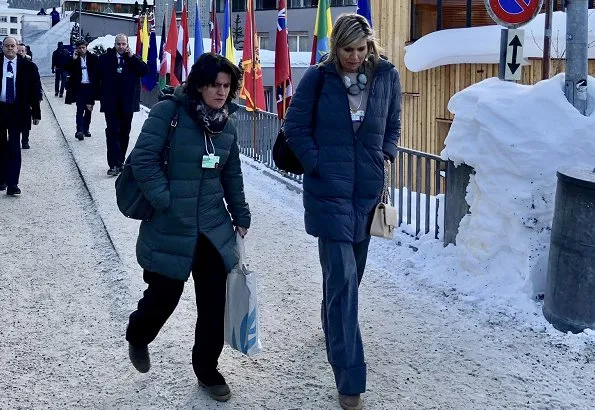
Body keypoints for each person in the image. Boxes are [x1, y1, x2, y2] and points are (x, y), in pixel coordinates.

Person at [284, 14, 401, 410]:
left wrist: (383, 154)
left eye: (360, 49)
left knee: (348, 279)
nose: (354, 57)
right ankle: (350, 379)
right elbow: (294, 127)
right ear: (335, 48)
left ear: (370, 46)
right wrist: (317, 164)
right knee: (345, 287)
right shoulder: (318, 79)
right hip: (329, 195)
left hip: (367, 196)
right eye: (346, 50)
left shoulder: (386, 76)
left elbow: (393, 124)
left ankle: (330, 319)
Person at [125, 53, 251, 403]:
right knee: (164, 297)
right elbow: (144, 160)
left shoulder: (228, 124)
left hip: (212, 226)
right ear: (199, 84)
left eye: (227, 86)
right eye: (215, 85)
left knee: (213, 303)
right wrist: (165, 200)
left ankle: (207, 370)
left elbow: (232, 173)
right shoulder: (169, 114)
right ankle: (138, 334)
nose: (221, 92)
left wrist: (240, 213)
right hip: (170, 224)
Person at [97, 34, 148, 176]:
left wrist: (133, 57)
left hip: (127, 104)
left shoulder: (132, 59)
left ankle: (120, 161)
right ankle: (113, 164)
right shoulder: (105, 59)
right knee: (113, 132)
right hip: (111, 103)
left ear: (127, 45)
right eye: (118, 44)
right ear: (115, 44)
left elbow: (144, 71)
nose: (121, 47)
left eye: (123, 44)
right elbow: (97, 77)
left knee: (124, 133)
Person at [0, 37, 42, 195]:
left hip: (18, 110)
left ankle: (13, 184)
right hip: (1, 109)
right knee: (1, 146)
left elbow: (34, 91)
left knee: (14, 147)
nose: (10, 48)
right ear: (2, 47)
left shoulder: (28, 66)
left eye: (13, 46)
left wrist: (36, 112)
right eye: (7, 46)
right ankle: (2, 178)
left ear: (18, 47)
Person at [65, 39, 99, 141]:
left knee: (88, 109)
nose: (81, 49)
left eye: (83, 47)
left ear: (86, 47)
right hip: (80, 88)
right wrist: (73, 60)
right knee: (79, 110)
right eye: (79, 48)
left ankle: (86, 129)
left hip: (90, 87)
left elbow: (98, 72)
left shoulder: (93, 58)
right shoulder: (75, 59)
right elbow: (68, 70)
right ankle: (79, 130)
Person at [16, 44, 38, 150]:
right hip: (14, 99)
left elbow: (36, 85)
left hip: (26, 99)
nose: (20, 52)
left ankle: (25, 140)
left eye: (22, 51)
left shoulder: (31, 66)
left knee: (25, 122)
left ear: (26, 52)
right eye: (18, 50)